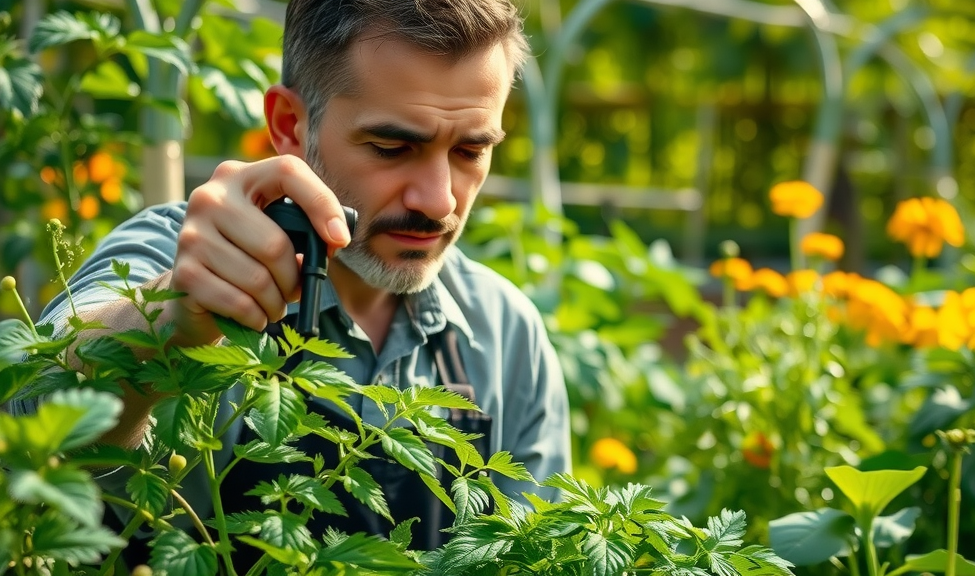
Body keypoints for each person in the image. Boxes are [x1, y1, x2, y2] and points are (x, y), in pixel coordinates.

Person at [15, 0, 571, 564]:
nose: (439, 199)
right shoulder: (186, 258)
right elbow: (28, 409)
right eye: (392, 148)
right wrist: (158, 320)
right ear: (289, 125)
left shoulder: (505, 334)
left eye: (471, 150)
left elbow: (534, 554)